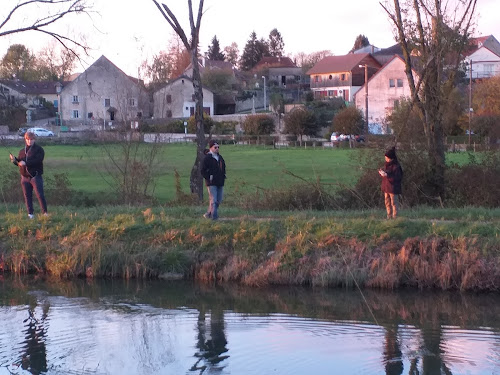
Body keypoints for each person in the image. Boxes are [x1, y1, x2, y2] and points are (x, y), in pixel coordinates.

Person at [10, 131, 48, 219]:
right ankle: (30, 214)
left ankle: (45, 213)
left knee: (40, 195)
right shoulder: (22, 151)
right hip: (24, 177)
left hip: (35, 176)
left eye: (31, 139)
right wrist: (14, 160)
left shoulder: (39, 149)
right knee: (27, 196)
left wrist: (26, 163)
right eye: (28, 139)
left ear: (34, 139)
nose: (29, 141)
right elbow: (20, 163)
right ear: (25, 140)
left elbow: (38, 161)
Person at [201, 140, 226, 220]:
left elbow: (223, 168)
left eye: (218, 147)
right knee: (213, 200)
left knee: (219, 200)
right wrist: (209, 178)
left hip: (220, 182)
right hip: (211, 183)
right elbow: (203, 170)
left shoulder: (220, 157)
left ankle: (208, 214)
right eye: (215, 147)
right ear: (211, 148)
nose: (217, 149)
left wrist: (223, 176)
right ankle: (214, 218)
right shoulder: (207, 158)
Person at [378, 147, 403, 219]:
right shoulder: (387, 165)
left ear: (391, 158)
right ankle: (389, 216)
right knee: (387, 203)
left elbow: (397, 178)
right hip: (386, 187)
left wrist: (387, 175)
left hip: (393, 188)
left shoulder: (396, 167)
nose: (385, 159)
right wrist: (383, 174)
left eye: (387, 158)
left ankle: (395, 217)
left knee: (394, 203)